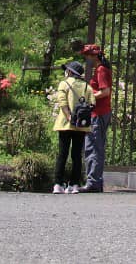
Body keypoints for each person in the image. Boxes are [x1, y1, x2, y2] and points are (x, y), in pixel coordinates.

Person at [51, 60, 92, 193]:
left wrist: (69, 116)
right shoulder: (87, 86)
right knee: (76, 155)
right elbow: (92, 103)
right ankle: (74, 184)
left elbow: (62, 101)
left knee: (62, 154)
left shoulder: (64, 83)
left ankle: (58, 184)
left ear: (69, 72)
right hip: (81, 125)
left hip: (65, 124)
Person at [79, 44, 113, 193]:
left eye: (88, 56)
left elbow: (105, 92)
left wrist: (89, 98)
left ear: (94, 56)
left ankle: (93, 182)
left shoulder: (101, 70)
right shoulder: (102, 69)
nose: (87, 58)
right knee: (96, 147)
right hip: (101, 112)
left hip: (98, 113)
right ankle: (95, 181)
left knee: (93, 147)